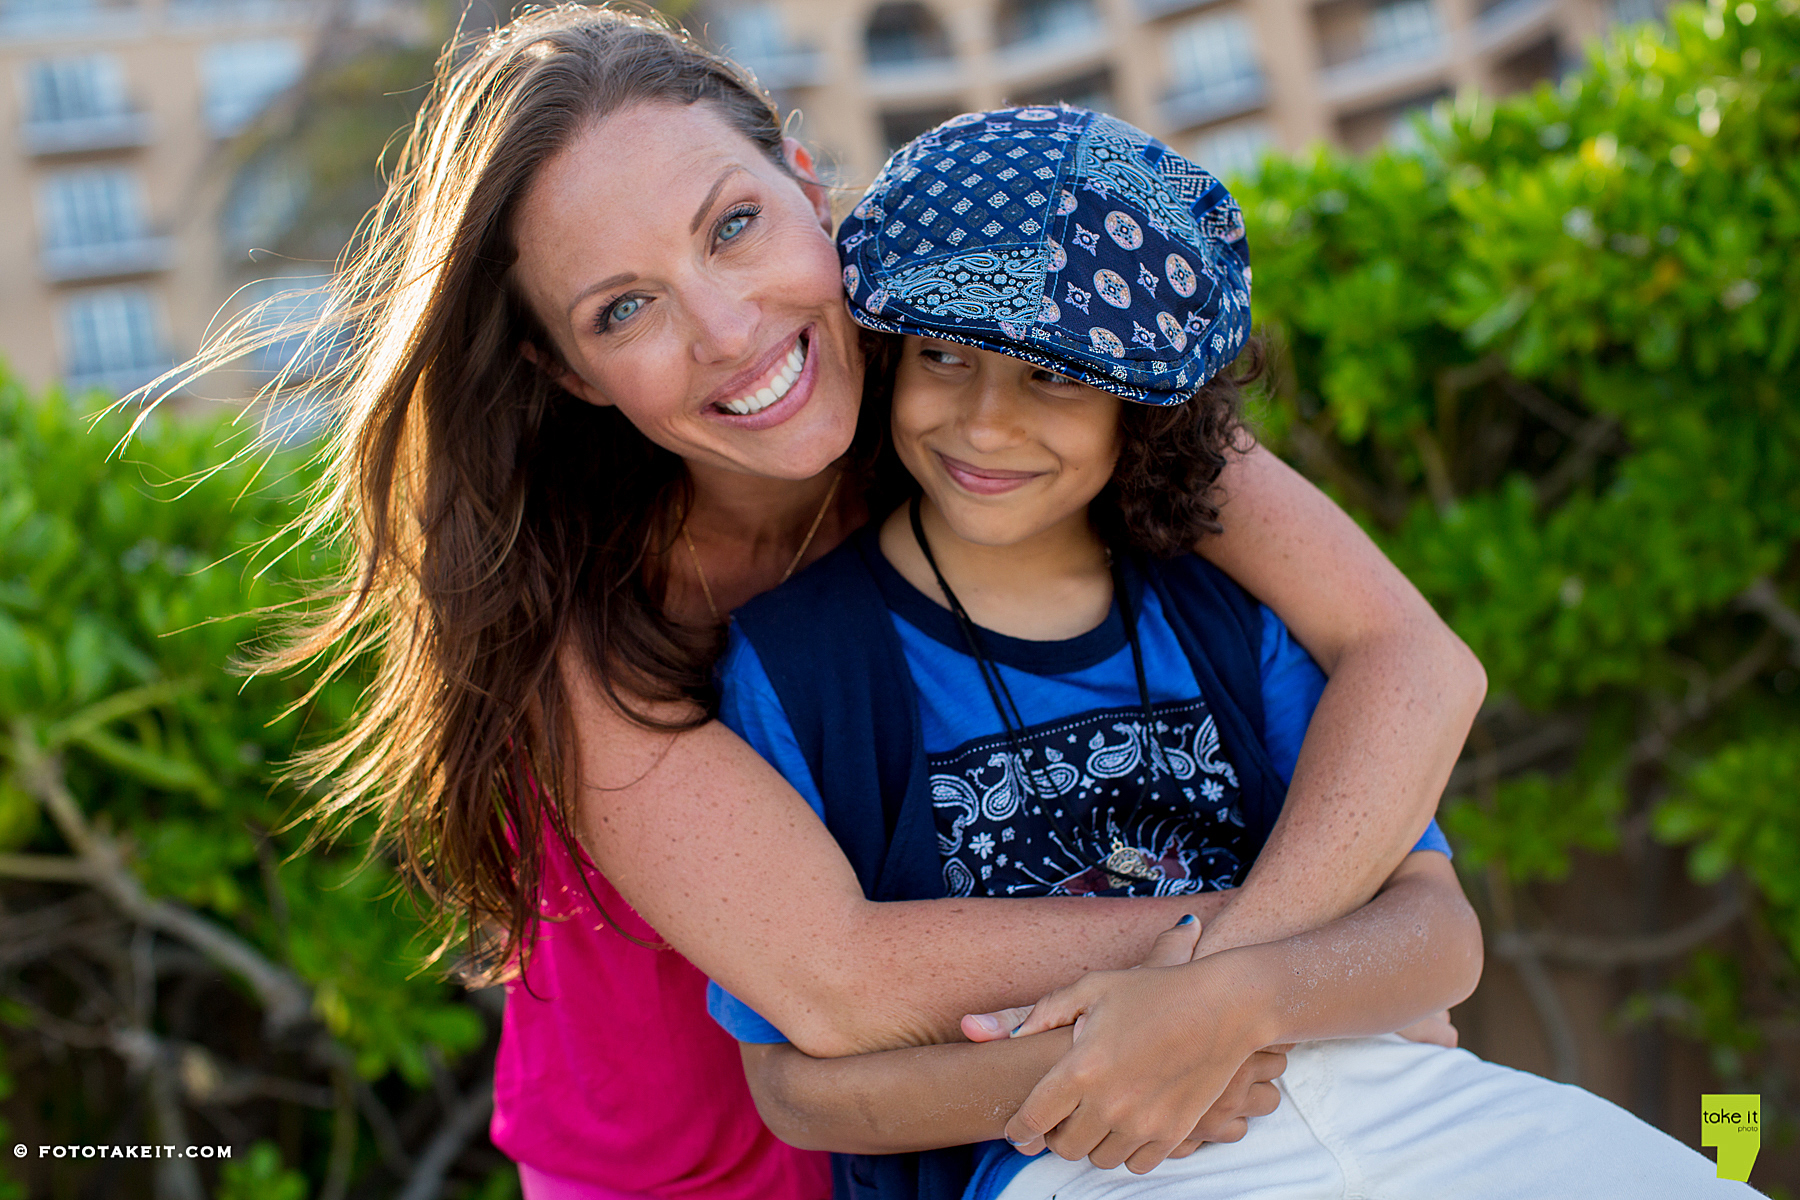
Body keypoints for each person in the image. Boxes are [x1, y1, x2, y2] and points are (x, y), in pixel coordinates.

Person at [203, 6, 1493, 1198]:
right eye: (625, 308)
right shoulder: (568, 609)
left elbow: (1413, 659)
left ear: (808, 183)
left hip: (1012, 1129)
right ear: (569, 370)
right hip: (694, 1165)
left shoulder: (988, 377)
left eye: (733, 225)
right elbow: (837, 982)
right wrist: (1295, 972)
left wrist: (1257, 985)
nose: (727, 329)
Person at [702, 106, 1757, 1200]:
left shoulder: (1227, 613)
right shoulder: (799, 666)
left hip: (1393, 1102)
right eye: (942, 357)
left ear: (1144, 412)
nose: (985, 423)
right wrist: (1119, 1058)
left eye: (1054, 376)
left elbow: (1439, 935)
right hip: (1075, 1164)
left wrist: (1227, 1003)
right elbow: (792, 1086)